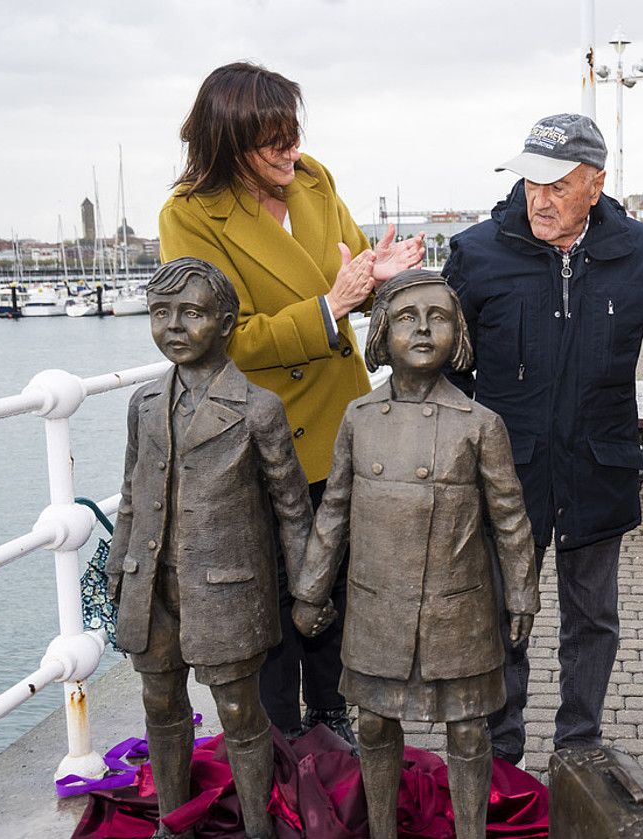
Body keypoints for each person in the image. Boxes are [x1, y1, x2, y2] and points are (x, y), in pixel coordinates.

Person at [158, 61, 424, 745]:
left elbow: (352, 270)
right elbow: (219, 339)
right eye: (272, 141)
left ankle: (332, 721)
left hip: (339, 422)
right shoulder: (190, 215)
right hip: (258, 438)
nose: (290, 152)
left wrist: (378, 281)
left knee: (337, 582)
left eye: (293, 133)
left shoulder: (314, 180)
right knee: (272, 599)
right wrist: (330, 307)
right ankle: (278, 741)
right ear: (226, 141)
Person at [442, 113, 643, 765]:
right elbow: (442, 362)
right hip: (507, 474)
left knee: (593, 619)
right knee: (504, 616)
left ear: (596, 183)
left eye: (558, 185)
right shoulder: (477, 253)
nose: (541, 198)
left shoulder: (639, 250)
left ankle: (579, 742)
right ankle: (501, 750)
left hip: (598, 466)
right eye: (531, 182)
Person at [292, 270, 540, 839]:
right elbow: (334, 513)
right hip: (379, 605)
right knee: (376, 723)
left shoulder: (481, 425)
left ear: (460, 334)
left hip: (457, 608)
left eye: (440, 317)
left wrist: (522, 591)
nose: (424, 330)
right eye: (407, 317)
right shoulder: (358, 419)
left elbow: (509, 519)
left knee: (470, 730)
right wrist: (310, 590)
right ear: (381, 332)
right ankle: (381, 830)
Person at [108, 258, 316, 839]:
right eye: (160, 314)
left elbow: (293, 508)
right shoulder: (145, 405)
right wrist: (119, 566)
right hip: (152, 585)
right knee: (160, 705)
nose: (174, 326)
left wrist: (306, 590)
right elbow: (132, 490)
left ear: (226, 323)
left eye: (192, 314)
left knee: (240, 713)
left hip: (227, 591)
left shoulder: (258, 409)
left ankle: (258, 828)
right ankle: (175, 824)